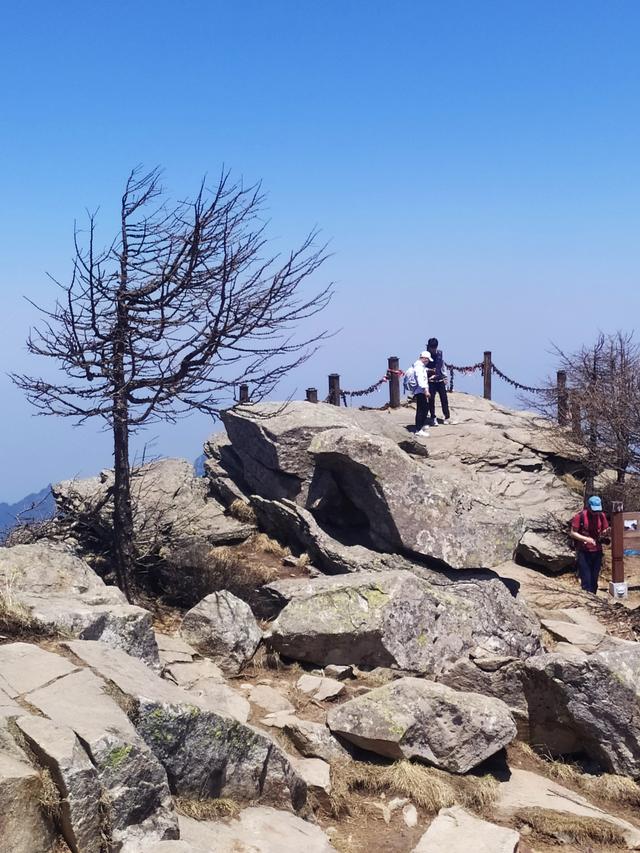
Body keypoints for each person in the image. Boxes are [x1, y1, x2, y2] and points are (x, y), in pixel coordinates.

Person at [569, 496, 611, 594]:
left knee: (594, 579)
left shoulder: (601, 516)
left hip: (597, 550)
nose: (596, 513)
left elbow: (604, 529)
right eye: (594, 510)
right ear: (588, 507)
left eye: (597, 510)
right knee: (586, 579)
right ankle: (587, 599)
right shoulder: (580, 516)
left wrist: (606, 532)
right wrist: (586, 539)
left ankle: (594, 598)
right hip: (583, 551)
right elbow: (573, 533)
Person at [426, 337, 454, 425]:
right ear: (429, 347)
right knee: (431, 399)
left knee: (444, 399)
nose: (433, 349)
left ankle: (447, 416)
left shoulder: (439, 354)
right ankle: (433, 417)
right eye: (432, 348)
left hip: (440, 379)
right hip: (430, 381)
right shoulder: (425, 355)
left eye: (435, 347)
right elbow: (421, 367)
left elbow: (442, 365)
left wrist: (445, 377)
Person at [410, 351, 432, 436]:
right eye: (427, 360)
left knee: (424, 408)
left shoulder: (419, 365)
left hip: (420, 390)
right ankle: (418, 429)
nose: (428, 362)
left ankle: (420, 425)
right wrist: (426, 390)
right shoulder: (419, 367)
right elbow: (420, 379)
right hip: (420, 391)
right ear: (424, 358)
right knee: (421, 409)